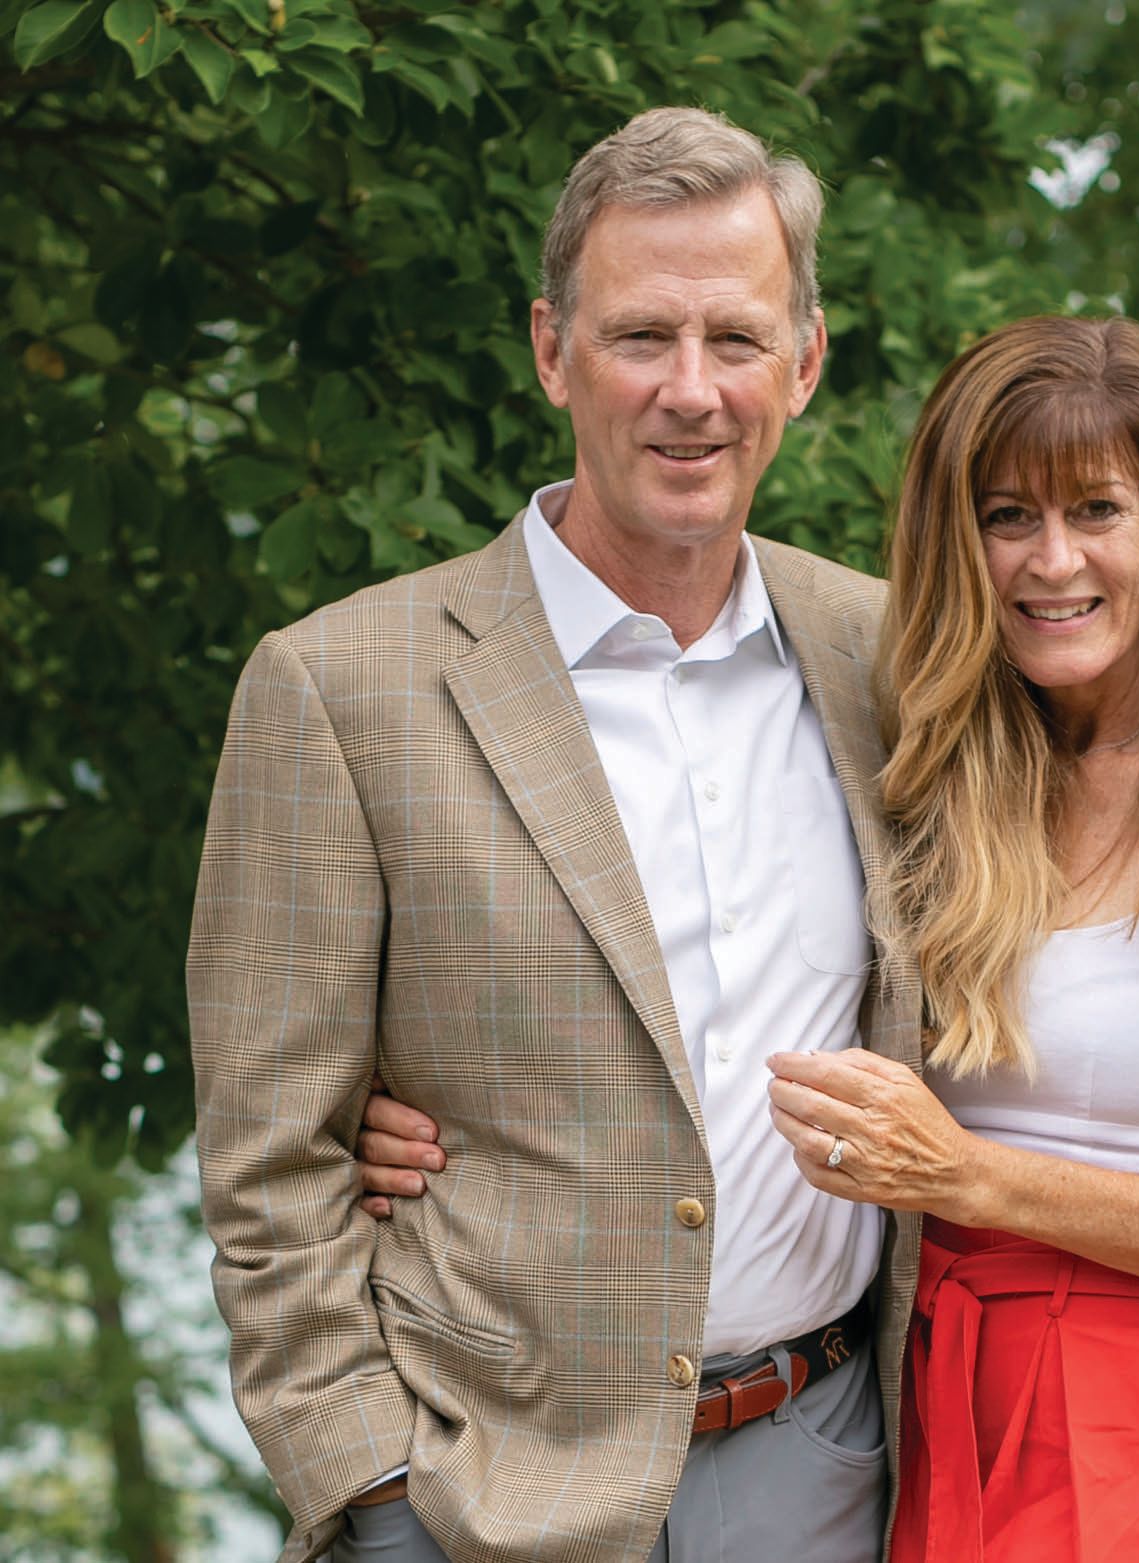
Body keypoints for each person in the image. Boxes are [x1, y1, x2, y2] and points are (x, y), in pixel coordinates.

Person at [361, 315, 1139, 1561]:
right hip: (906, 1384)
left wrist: (971, 1178)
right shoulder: (950, 758)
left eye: (1096, 510)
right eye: (1006, 517)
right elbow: (726, 965)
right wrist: (444, 1113)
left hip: (1128, 1416)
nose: (1050, 561)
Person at [187, 107, 921, 1563]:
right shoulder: (340, 686)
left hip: (825, 1463)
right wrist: (370, 1492)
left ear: (807, 360)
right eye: (640, 335)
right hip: (472, 1495)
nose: (691, 393)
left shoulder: (888, 656)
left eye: (736, 338)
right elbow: (269, 1159)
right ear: (549, 349)